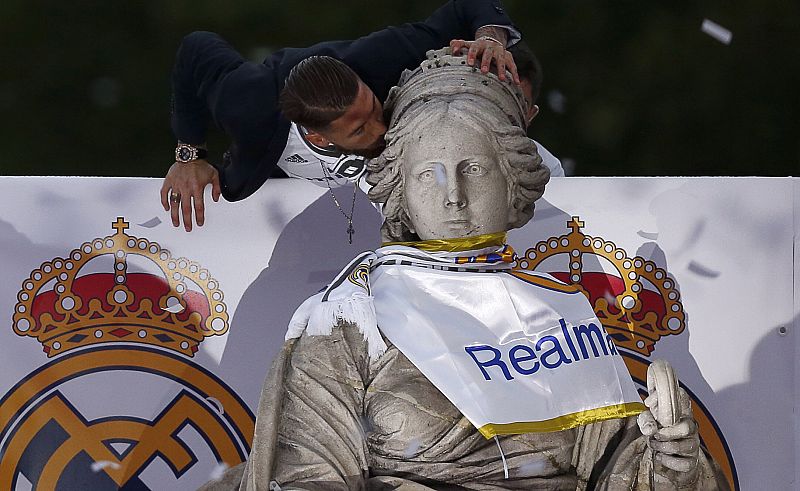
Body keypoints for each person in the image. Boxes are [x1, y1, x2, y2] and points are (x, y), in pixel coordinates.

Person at [200, 48, 727, 490]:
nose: (454, 196)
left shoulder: (557, 314)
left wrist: (666, 465)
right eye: (429, 174)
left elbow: (616, 470)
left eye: (473, 168)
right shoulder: (349, 319)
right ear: (399, 186)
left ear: (512, 181)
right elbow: (309, 477)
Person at [163, 0, 523, 232]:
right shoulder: (245, 103)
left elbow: (465, 8)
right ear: (318, 137)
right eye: (360, 129)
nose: (382, 129)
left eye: (373, 108)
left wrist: (490, 39)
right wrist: (189, 153)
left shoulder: (379, 58)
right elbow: (196, 49)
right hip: (291, 220)